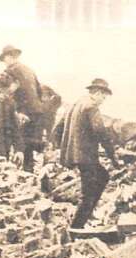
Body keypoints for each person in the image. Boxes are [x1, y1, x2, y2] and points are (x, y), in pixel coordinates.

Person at [53, 78, 120, 229]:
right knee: (88, 193)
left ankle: (83, 217)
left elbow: (57, 128)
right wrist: (113, 157)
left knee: (103, 176)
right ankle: (76, 227)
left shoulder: (75, 104)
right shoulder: (91, 106)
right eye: (103, 96)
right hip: (86, 156)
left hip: (77, 155)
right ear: (96, 92)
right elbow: (101, 132)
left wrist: (63, 149)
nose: (103, 100)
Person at [0, 45, 45, 171]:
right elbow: (39, 91)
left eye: (5, 59)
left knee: (18, 141)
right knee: (28, 145)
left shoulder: (10, 71)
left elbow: (5, 91)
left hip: (22, 112)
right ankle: (28, 172)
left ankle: (15, 173)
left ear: (9, 57)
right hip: (36, 112)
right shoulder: (29, 70)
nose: (4, 62)